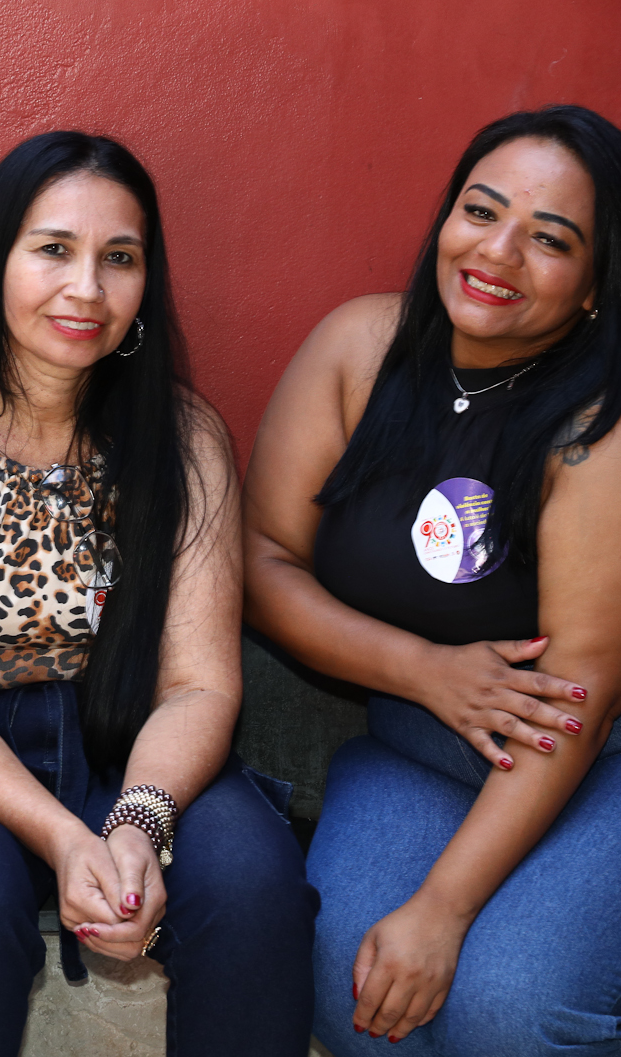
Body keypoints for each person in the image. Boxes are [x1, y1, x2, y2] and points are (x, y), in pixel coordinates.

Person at [0, 130, 317, 1057]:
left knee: (253, 882)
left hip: (131, 740)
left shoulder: (182, 437)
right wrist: (62, 835)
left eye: (118, 258)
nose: (85, 288)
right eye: (52, 249)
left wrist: (135, 819)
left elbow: (201, 683)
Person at [244, 104, 621, 1053]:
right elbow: (261, 560)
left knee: (509, 1007)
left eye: (550, 239)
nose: (497, 252)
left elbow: (579, 696)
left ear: (590, 287)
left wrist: (445, 909)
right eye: (479, 211)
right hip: (417, 747)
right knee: (347, 982)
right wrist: (421, 669)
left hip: (590, 764)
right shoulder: (357, 352)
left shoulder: (596, 427)